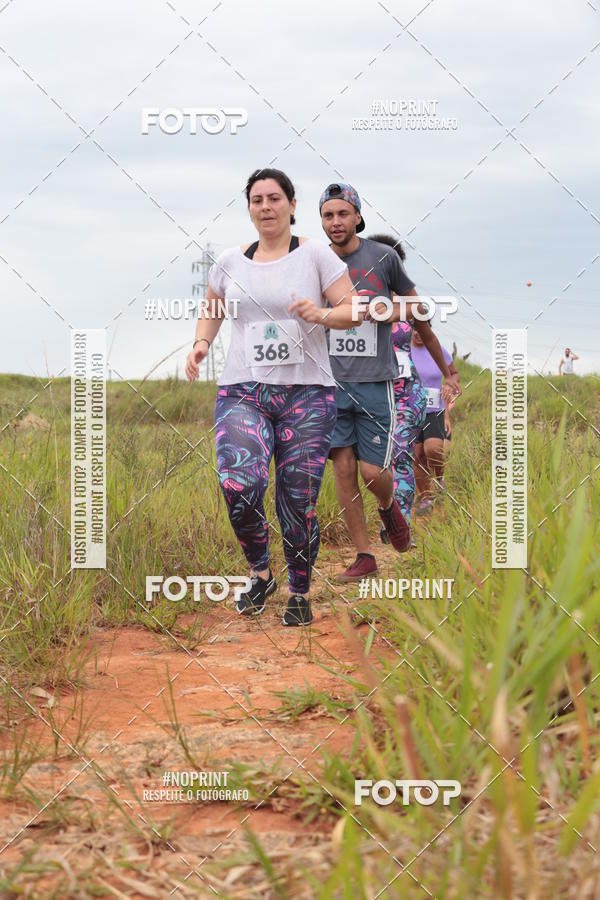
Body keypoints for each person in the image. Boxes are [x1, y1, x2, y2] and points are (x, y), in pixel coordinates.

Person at [185, 168, 360, 626]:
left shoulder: (315, 255)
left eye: (274, 198)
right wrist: (203, 342)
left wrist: (320, 312)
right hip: (244, 390)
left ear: (291, 204)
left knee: (296, 499)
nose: (266, 206)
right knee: (238, 485)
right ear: (249, 207)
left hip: (308, 393)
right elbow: (212, 307)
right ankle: (261, 572)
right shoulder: (229, 261)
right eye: (257, 199)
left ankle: (299, 590)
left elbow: (353, 310)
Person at [319, 184, 461, 581]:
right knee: (344, 470)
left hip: (375, 382)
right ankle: (365, 556)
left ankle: (388, 507)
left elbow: (418, 313)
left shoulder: (382, 259)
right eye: (328, 216)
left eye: (342, 214)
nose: (335, 222)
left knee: (372, 473)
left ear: (358, 217)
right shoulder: (313, 260)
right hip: (331, 384)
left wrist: (447, 370)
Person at [411, 325, 461, 514]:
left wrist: (451, 385)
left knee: (432, 448)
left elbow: (453, 373)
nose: (417, 333)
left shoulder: (437, 349)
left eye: (421, 329)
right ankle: (425, 499)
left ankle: (440, 480)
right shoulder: (402, 349)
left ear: (429, 330)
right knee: (416, 454)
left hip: (434, 410)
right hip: (410, 410)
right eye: (413, 328)